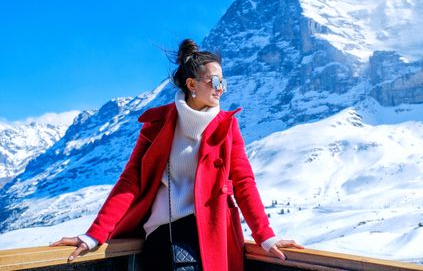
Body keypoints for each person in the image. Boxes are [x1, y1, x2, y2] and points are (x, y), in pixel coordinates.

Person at [52, 39, 303, 270]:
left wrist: (266, 236)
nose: (221, 89)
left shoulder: (228, 127)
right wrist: (94, 235)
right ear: (191, 84)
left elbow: (243, 183)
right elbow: (130, 182)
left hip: (214, 235)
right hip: (164, 235)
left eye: (223, 82)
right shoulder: (157, 124)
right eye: (215, 82)